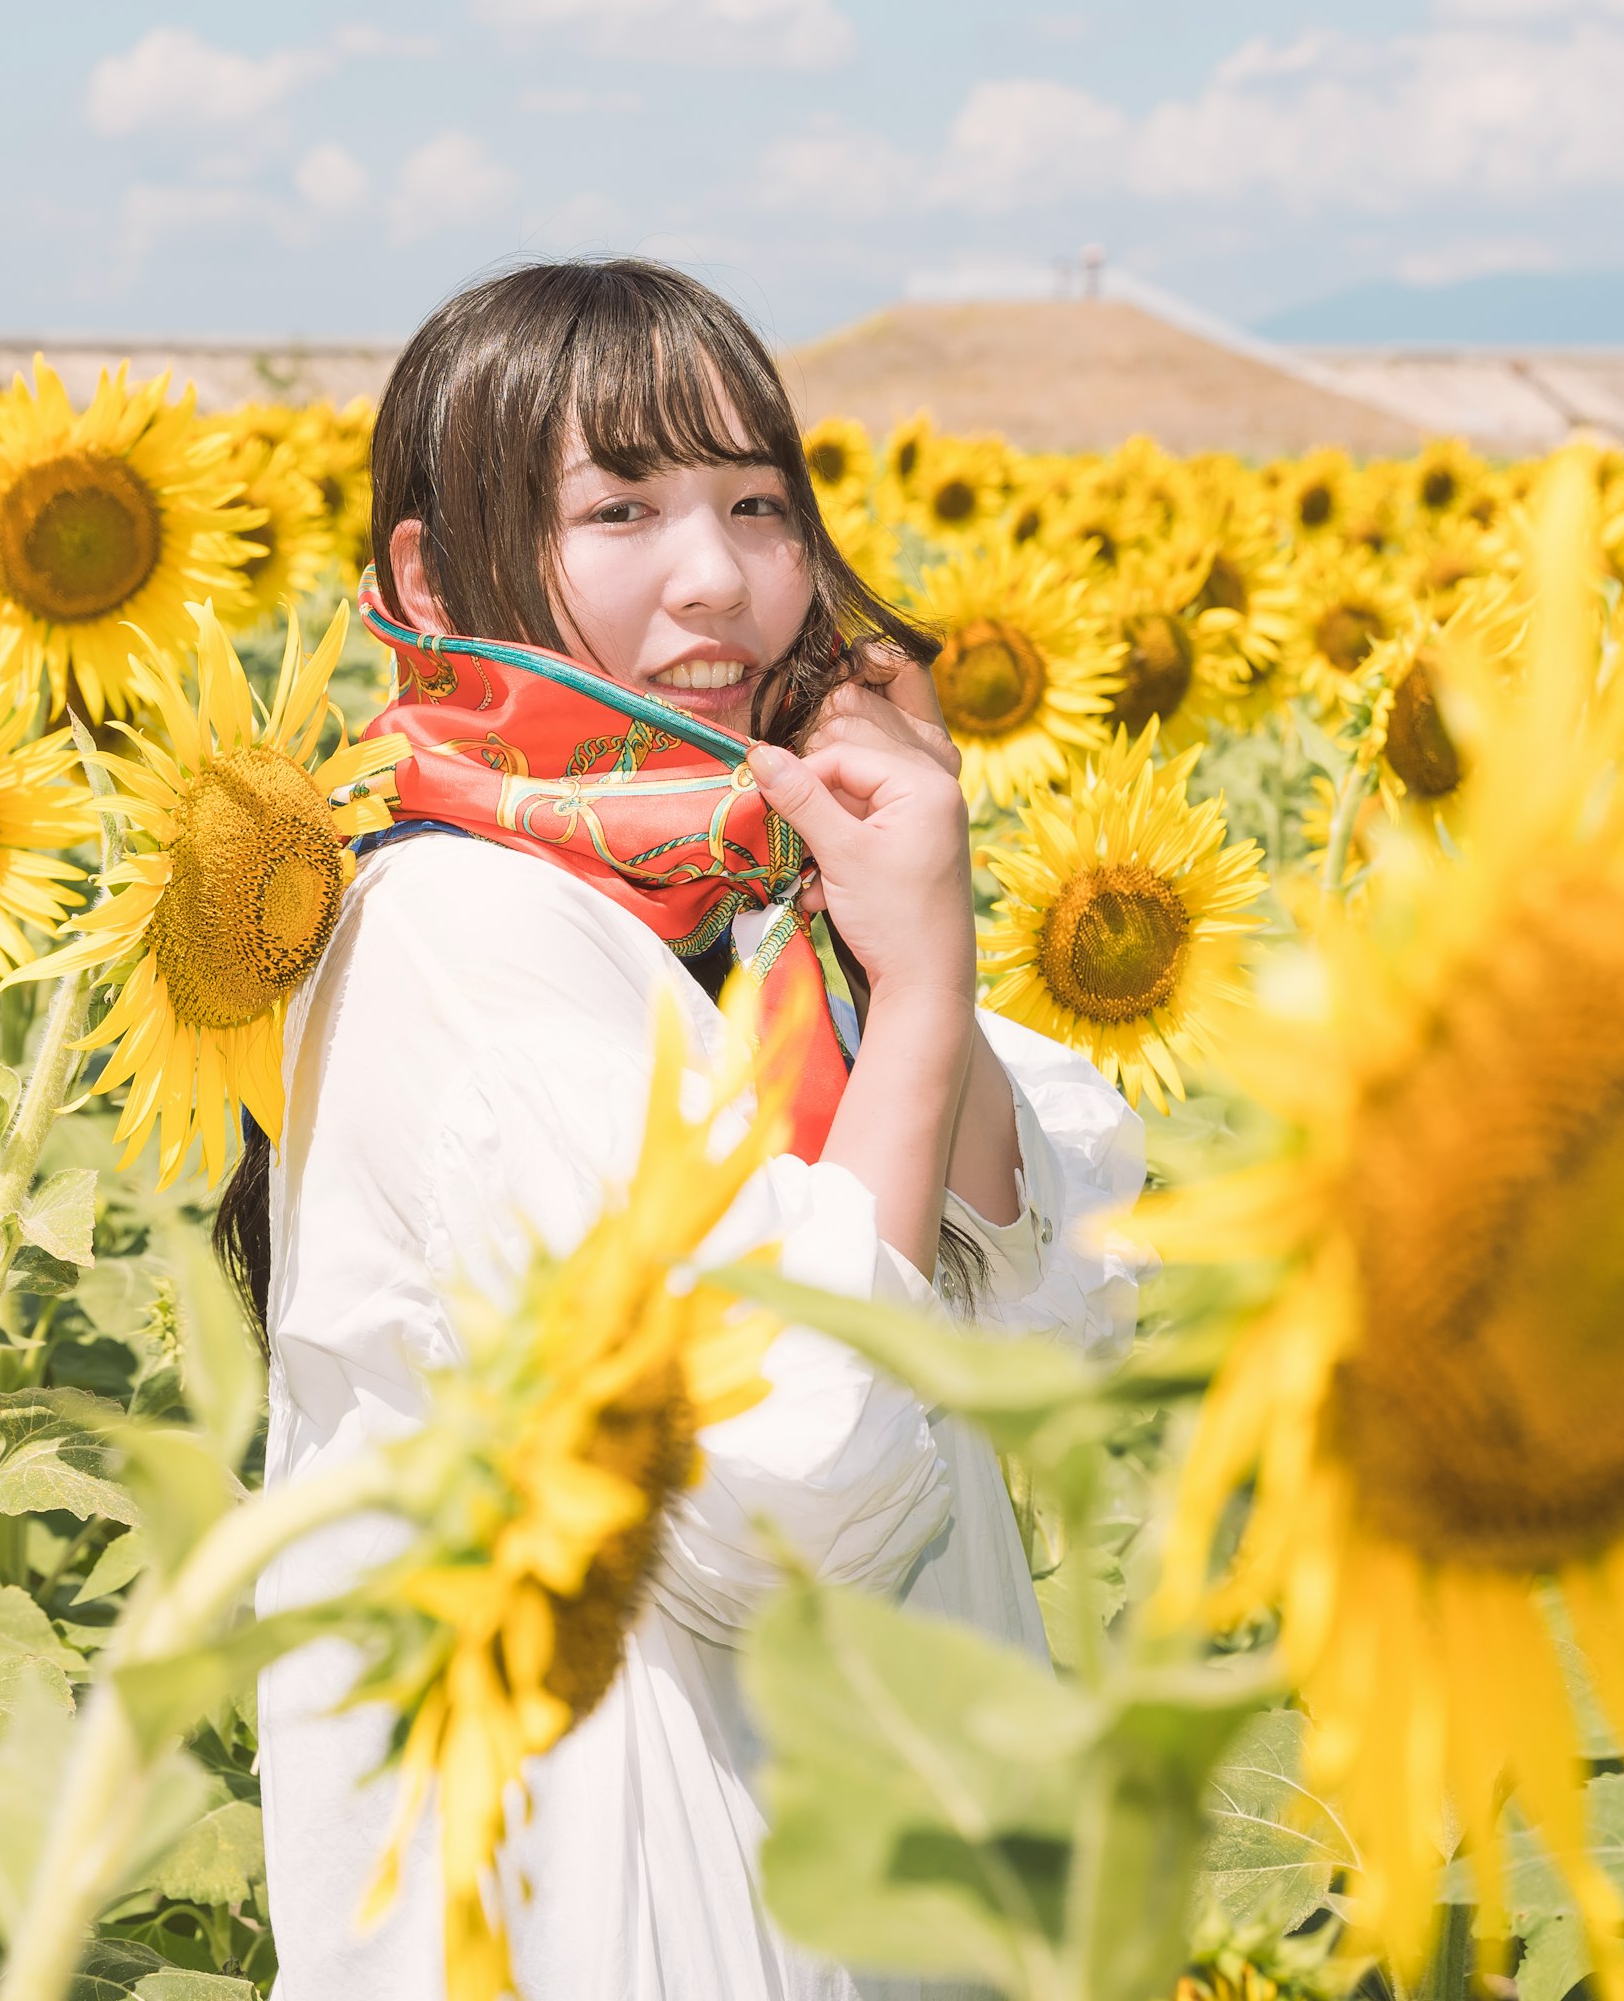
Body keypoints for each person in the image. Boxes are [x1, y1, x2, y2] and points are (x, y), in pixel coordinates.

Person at [236, 259, 1144, 1999]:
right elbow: (793, 1481)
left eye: (754, 502)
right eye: (623, 509)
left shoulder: (749, 911)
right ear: (434, 573)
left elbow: (1052, 1308)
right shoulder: (464, 930)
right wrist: (928, 981)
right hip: (630, 1909)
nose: (717, 578)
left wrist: (894, 953)